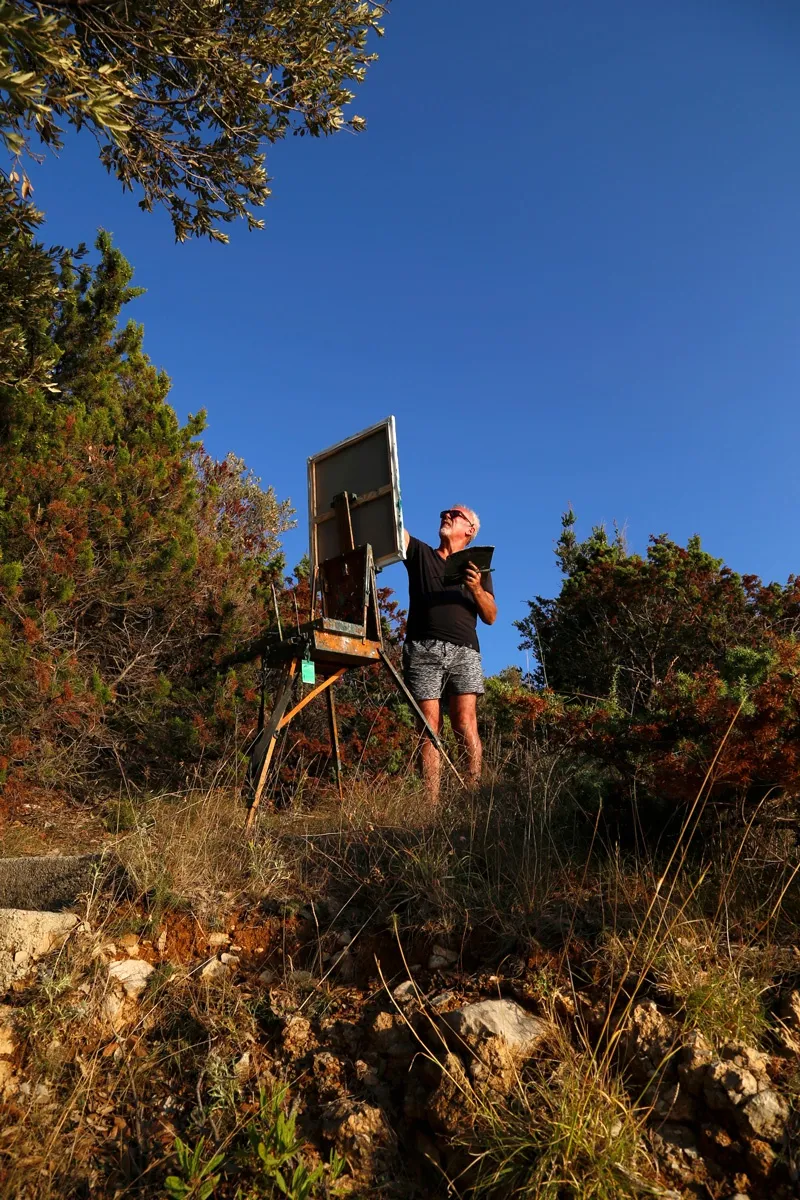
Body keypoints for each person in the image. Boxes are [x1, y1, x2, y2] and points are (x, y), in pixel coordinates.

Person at [402, 506, 497, 801]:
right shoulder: (420, 553)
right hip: (423, 649)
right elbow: (395, 528)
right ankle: (430, 806)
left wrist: (476, 588)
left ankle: (471, 798)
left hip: (465, 650)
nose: (446, 516)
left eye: (454, 515)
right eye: (444, 513)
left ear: (470, 530)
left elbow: (491, 616)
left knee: (465, 722)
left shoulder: (476, 569)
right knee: (428, 727)